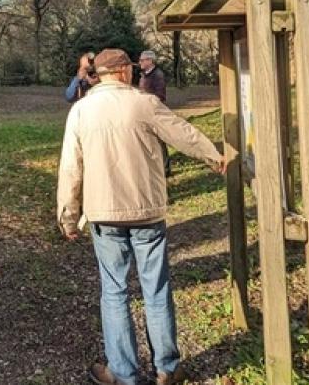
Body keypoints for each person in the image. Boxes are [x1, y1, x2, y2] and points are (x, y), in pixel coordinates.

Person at [57, 48, 227, 385]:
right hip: (146, 212)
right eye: (131, 69)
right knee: (156, 288)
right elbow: (182, 133)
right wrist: (213, 155)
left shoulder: (81, 111)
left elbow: (70, 167)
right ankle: (166, 368)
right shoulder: (143, 103)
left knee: (115, 291)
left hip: (104, 214)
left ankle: (122, 373)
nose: (135, 73)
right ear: (120, 71)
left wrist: (68, 214)